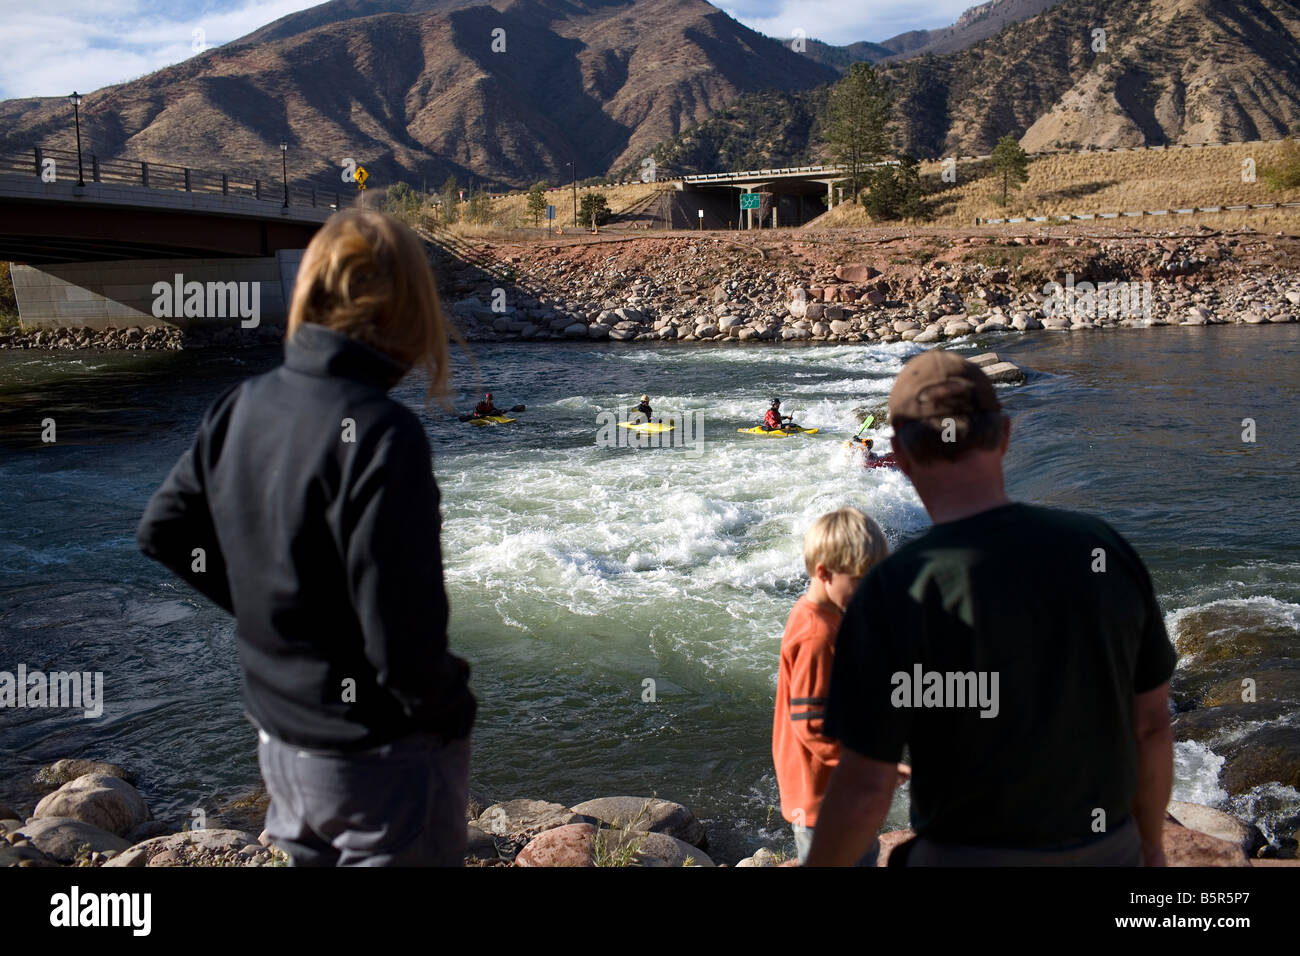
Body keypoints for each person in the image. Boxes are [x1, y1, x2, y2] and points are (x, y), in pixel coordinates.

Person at [136, 208, 476, 866]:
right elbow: (401, 642)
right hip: (375, 753)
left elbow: (165, 532)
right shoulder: (382, 432)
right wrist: (450, 710)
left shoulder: (243, 402)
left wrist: (274, 612)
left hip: (280, 737)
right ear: (409, 310)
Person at [808, 351, 1176, 866]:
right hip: (1107, 851)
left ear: (901, 455)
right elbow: (1152, 728)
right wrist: (1151, 848)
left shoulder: (892, 588)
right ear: (1004, 434)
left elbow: (867, 788)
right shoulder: (1103, 548)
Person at [772, 508, 902, 866]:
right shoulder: (818, 636)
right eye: (861, 581)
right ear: (824, 573)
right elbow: (812, 726)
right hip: (822, 798)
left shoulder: (815, 613)